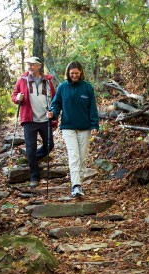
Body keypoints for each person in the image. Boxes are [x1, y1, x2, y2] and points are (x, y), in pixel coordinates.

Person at [49, 61, 99, 198]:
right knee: (74, 155)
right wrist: (52, 113)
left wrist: (95, 125)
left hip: (85, 127)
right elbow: (56, 104)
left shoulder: (87, 88)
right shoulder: (62, 87)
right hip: (68, 127)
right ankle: (75, 185)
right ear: (68, 73)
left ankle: (79, 183)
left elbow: (92, 108)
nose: (74, 75)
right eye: (72, 73)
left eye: (77, 73)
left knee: (82, 158)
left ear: (81, 73)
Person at [12, 56, 56, 188]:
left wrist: (53, 114)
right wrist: (17, 98)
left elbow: (54, 99)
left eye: (32, 65)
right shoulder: (22, 80)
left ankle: (34, 158)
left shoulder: (47, 81)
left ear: (39, 66)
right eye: (28, 65)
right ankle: (34, 175)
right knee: (30, 147)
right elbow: (14, 96)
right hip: (29, 119)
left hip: (45, 118)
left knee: (49, 145)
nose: (29, 67)